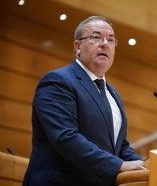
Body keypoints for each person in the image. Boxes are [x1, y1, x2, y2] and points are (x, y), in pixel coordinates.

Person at [23, 16, 145, 186]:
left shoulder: (113, 93)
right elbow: (65, 138)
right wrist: (119, 165)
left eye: (111, 39)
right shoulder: (58, 81)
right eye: (96, 37)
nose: (105, 44)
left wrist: (148, 167)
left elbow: (120, 146)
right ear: (77, 46)